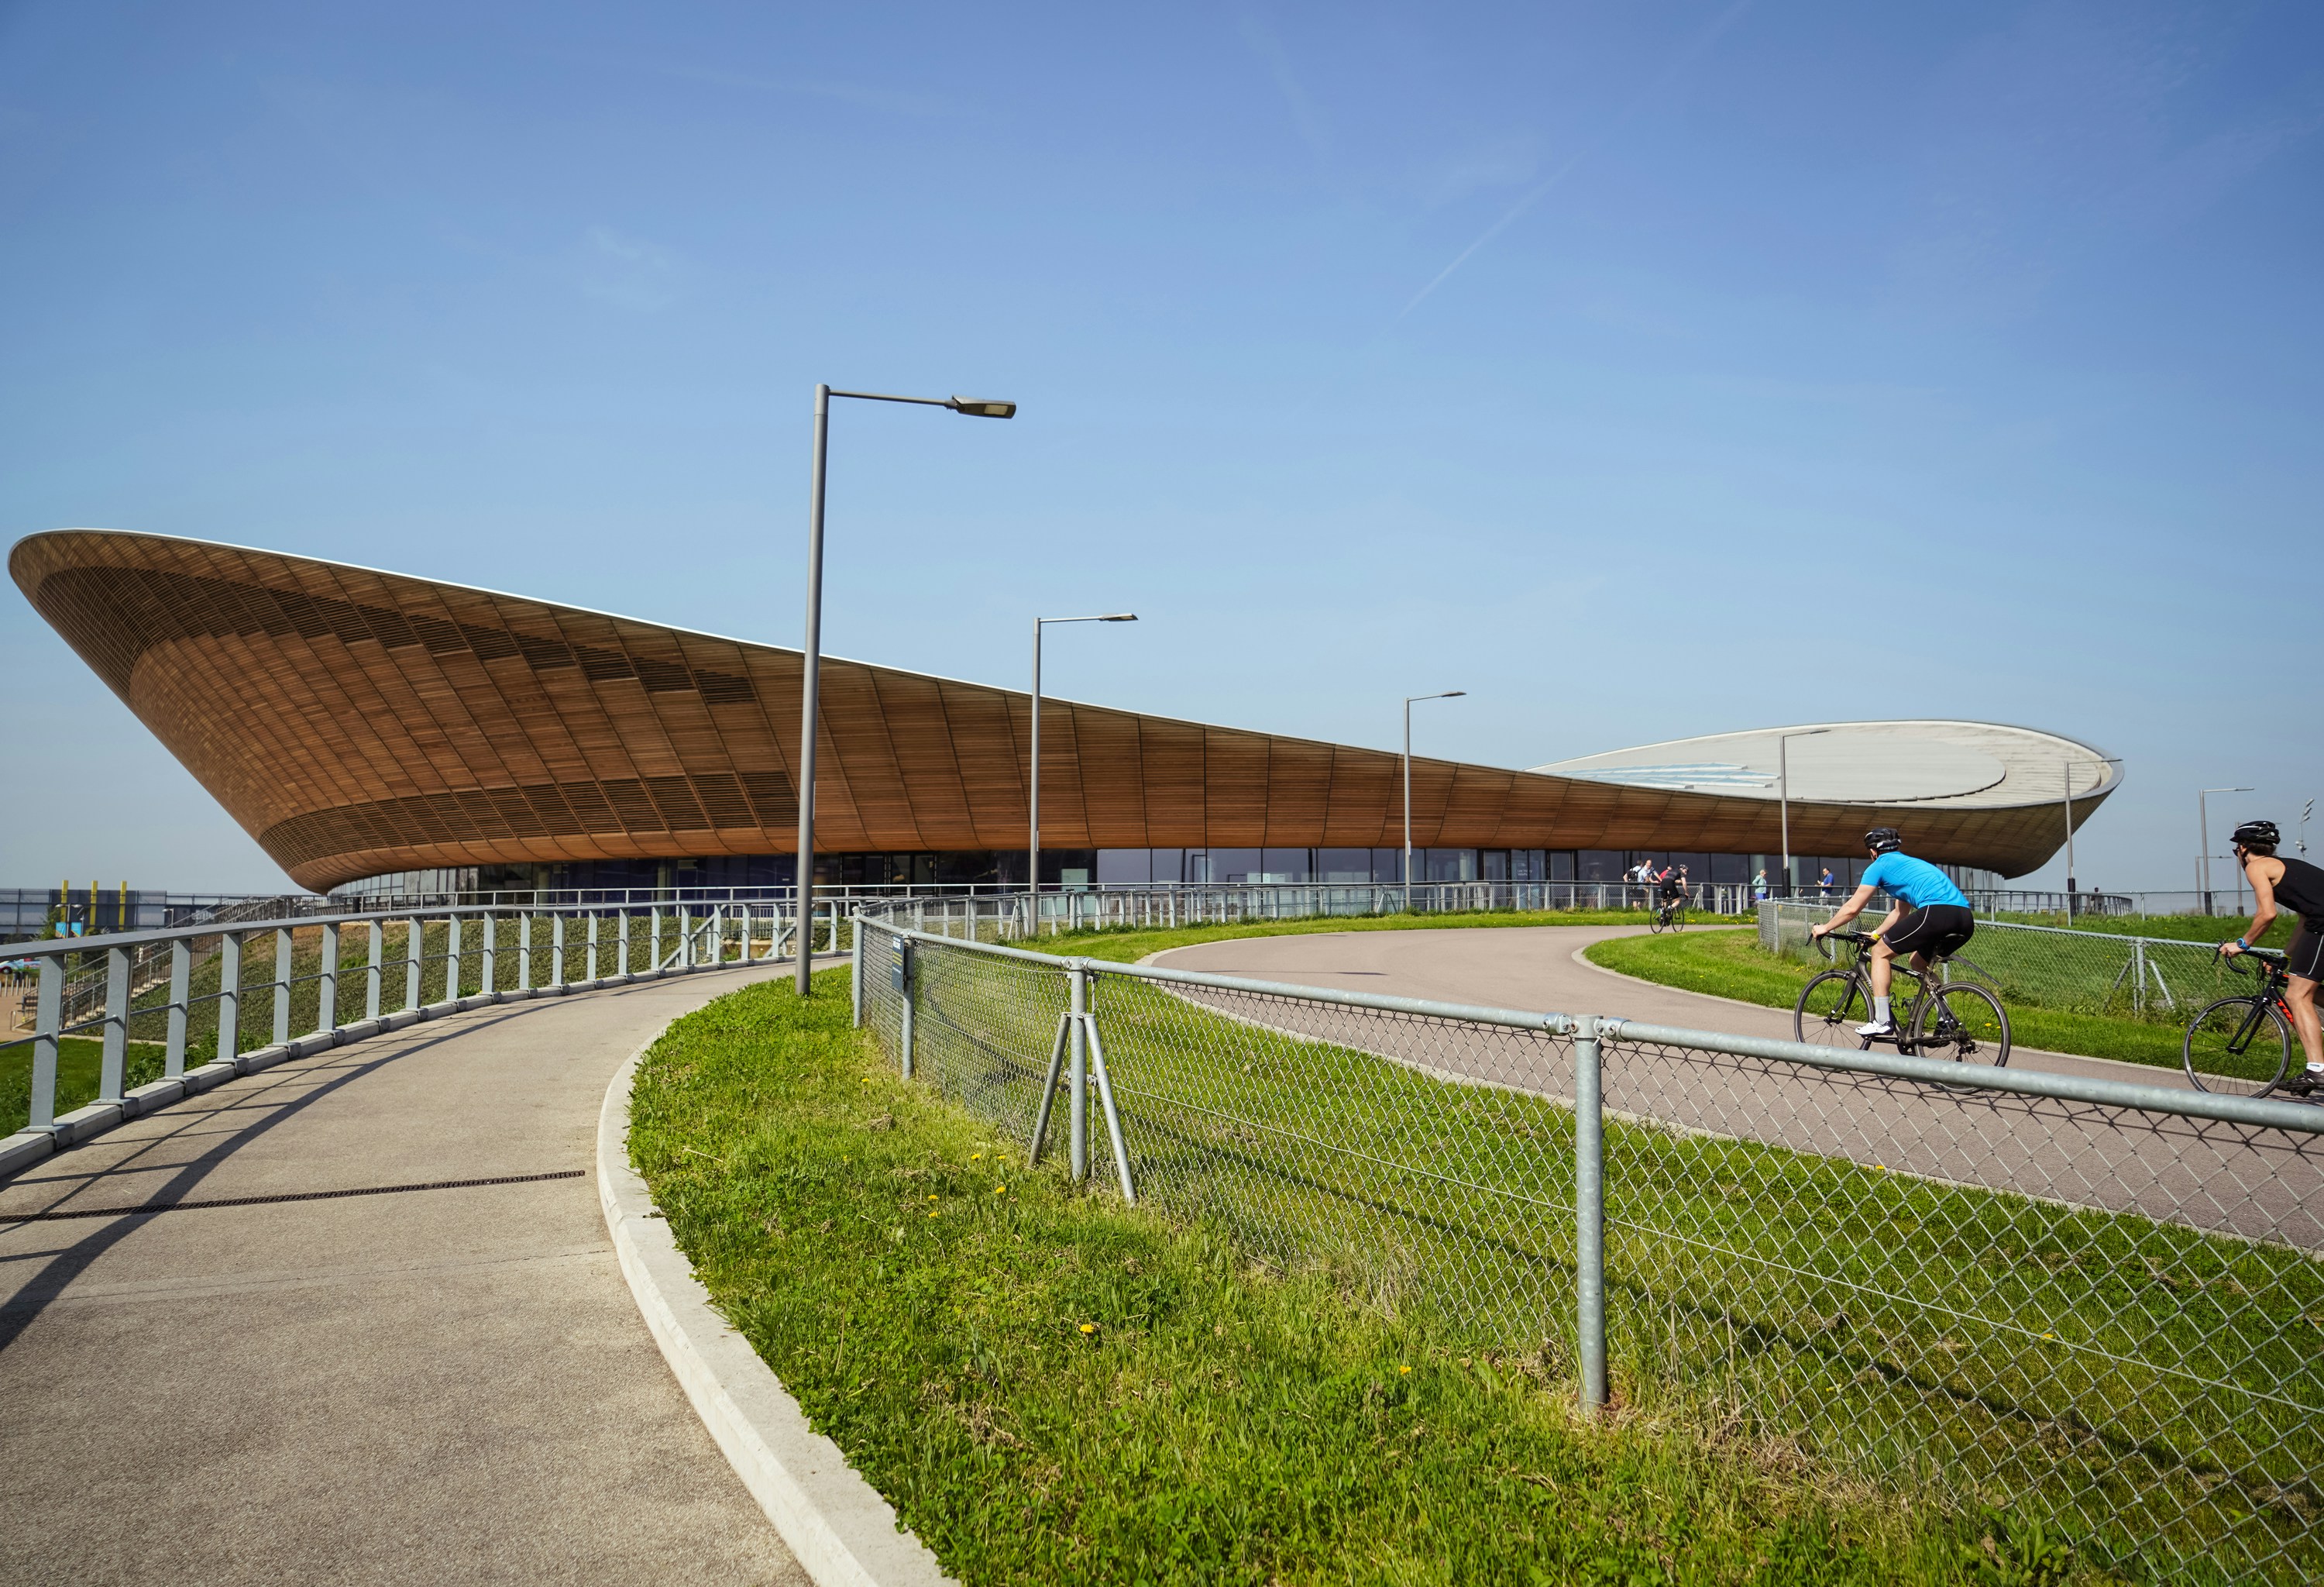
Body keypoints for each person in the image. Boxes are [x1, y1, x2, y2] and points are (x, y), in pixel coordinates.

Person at [1808, 828, 1975, 1038]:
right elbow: (1900, 912)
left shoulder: (1877, 866)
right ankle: (1946, 1018)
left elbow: (1852, 908)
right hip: (1965, 918)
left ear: (1873, 851)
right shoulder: (1910, 865)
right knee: (1918, 964)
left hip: (1937, 911)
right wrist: (1876, 934)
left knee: (1880, 953)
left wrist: (1825, 927)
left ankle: (1882, 1020)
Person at [2219, 819, 2324, 1094]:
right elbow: (2303, 919)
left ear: (2242, 849)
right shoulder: (2287, 866)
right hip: (2317, 924)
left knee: (2297, 996)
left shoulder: (2257, 866)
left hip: (2323, 926)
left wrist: (2242, 943)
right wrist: (2286, 957)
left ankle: (2317, 1071)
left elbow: (2267, 914)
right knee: (2306, 988)